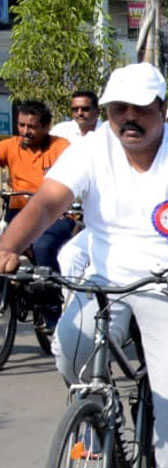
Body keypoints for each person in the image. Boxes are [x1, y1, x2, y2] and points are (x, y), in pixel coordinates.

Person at [0, 63, 168, 468]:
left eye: (140, 109)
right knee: (69, 349)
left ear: (161, 109)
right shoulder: (91, 148)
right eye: (118, 109)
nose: (128, 118)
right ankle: (98, 413)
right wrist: (9, 246)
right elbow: (47, 203)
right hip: (105, 280)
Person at [0, 99, 73, 327]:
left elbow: (75, 178)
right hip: (18, 212)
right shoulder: (10, 146)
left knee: (43, 246)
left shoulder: (60, 147)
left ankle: (52, 311)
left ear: (46, 127)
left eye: (31, 127)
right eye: (21, 125)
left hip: (54, 213)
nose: (25, 131)